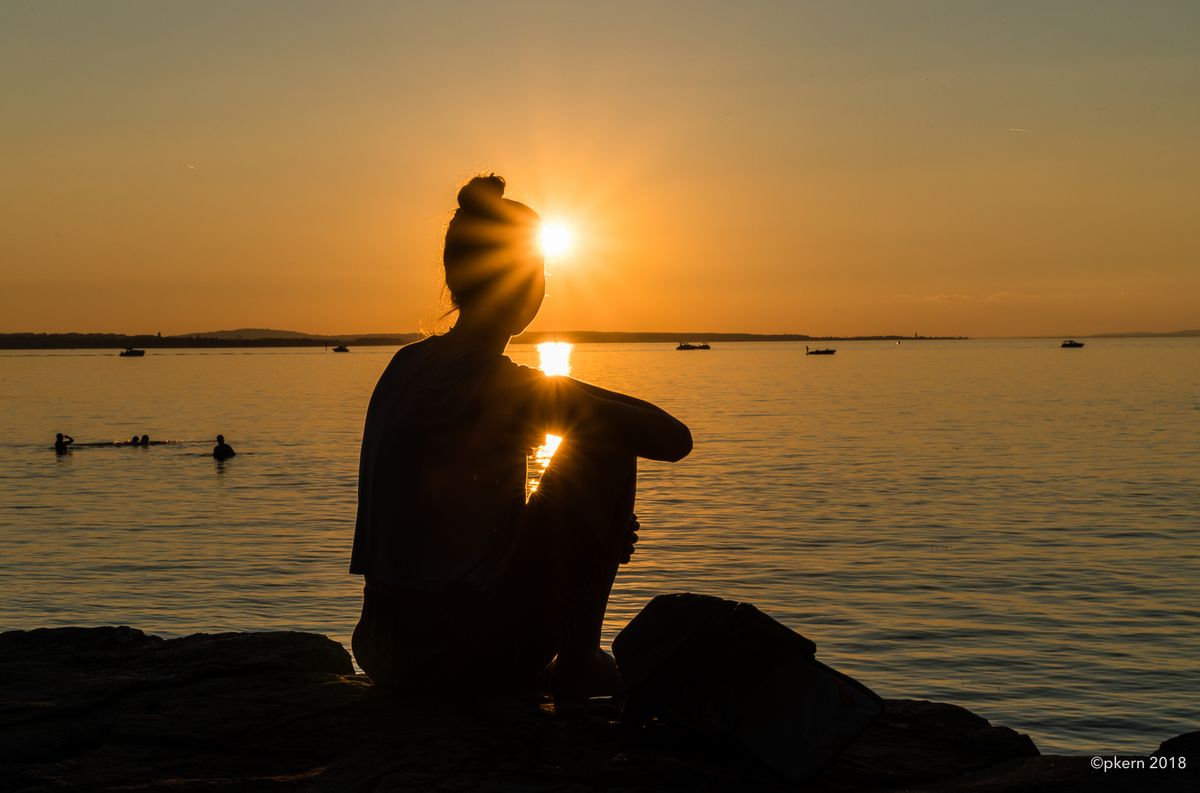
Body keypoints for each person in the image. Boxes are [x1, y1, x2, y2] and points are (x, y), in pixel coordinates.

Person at [350, 175, 692, 699]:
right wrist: (596, 525)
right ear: (529, 288)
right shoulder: (499, 387)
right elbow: (673, 438)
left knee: (592, 434)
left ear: (454, 280)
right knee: (604, 446)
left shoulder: (406, 365)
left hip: (382, 647)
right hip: (459, 660)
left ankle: (566, 656)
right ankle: (579, 660)